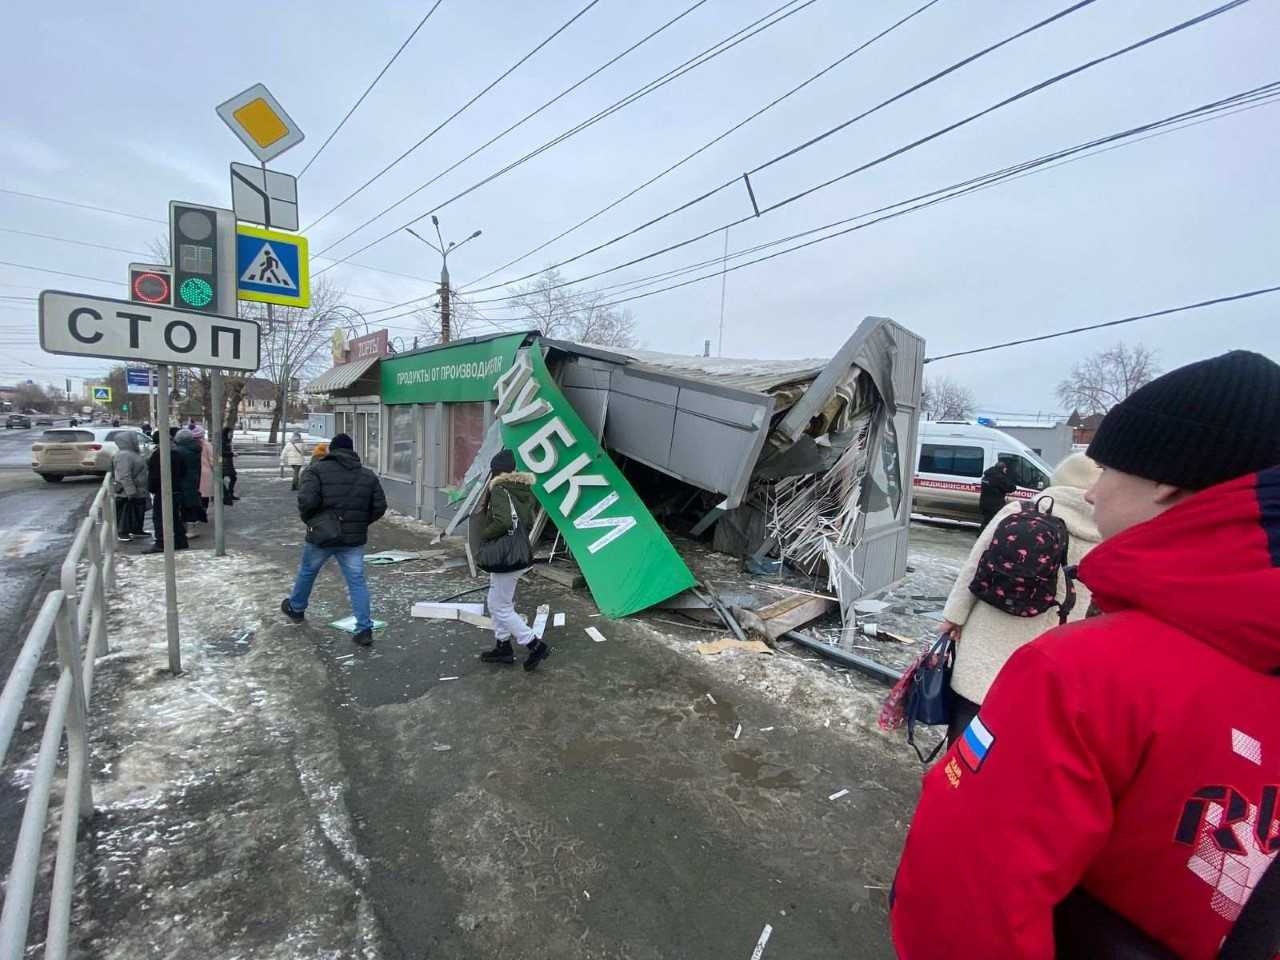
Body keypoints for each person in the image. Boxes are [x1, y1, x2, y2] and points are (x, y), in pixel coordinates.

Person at [890, 351, 1280, 960]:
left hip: (998, 673)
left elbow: (964, 902)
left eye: (1113, 468)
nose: (1096, 490)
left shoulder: (1086, 676)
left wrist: (950, 630)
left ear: (1169, 481)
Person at [938, 452, 1102, 744]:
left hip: (989, 635)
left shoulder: (1020, 509)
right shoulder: (1107, 531)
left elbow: (974, 566)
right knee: (1024, 734)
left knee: (968, 728)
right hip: (1057, 649)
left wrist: (954, 617)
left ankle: (957, 779)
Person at [280, 433, 386, 646]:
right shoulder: (367, 475)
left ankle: (297, 608)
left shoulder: (315, 471)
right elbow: (379, 506)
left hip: (321, 535)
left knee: (308, 571)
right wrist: (360, 523)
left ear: (332, 450)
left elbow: (306, 501)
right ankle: (364, 629)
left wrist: (312, 522)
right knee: (356, 581)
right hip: (352, 540)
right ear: (352, 450)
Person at [477, 449, 550, 671]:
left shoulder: (500, 489)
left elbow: (505, 521)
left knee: (501, 608)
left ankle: (534, 645)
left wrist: (485, 534)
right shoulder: (523, 490)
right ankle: (503, 647)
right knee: (497, 602)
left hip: (506, 556)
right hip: (518, 554)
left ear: (497, 471)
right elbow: (525, 521)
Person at [145, 430, 188, 552]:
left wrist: (152, 488)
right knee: (175, 517)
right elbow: (184, 471)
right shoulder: (177, 453)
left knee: (160, 517)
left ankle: (161, 543)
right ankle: (180, 540)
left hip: (162, 491)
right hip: (177, 489)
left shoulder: (158, 455)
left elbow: (154, 476)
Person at [112, 431, 150, 542]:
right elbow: (124, 475)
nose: (136, 441)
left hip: (139, 489)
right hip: (129, 491)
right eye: (134, 439)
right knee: (126, 512)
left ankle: (136, 530)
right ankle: (123, 532)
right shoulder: (124, 455)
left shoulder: (131, 453)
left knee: (137, 511)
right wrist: (130, 491)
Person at [173, 428, 205, 528]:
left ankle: (187, 527)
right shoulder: (195, 448)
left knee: (184, 504)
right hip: (193, 479)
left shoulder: (179, 451)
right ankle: (191, 526)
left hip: (183, 481)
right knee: (190, 502)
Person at [978, 457, 1017, 527]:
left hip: (984, 503)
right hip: (995, 505)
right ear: (1002, 468)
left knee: (986, 521)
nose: (1006, 470)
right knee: (993, 523)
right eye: (1005, 468)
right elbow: (1011, 488)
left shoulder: (987, 475)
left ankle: (981, 535)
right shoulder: (999, 477)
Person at [221, 427, 238, 504]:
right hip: (224, 463)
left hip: (228, 462)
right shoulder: (222, 441)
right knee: (222, 478)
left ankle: (229, 493)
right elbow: (221, 453)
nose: (231, 434)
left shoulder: (228, 441)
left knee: (233, 477)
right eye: (230, 433)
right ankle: (227, 494)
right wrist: (232, 454)